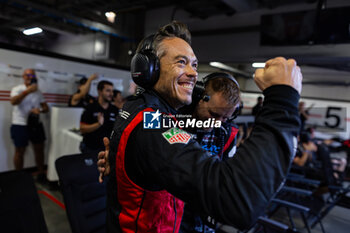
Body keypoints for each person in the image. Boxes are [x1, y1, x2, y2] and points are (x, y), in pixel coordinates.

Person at [104, 21, 302, 232]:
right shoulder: (152, 123)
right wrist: (283, 99)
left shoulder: (151, 113)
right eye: (181, 62)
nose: (192, 73)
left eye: (195, 65)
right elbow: (237, 202)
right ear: (148, 69)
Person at [10, 68, 49, 181]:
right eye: (27, 75)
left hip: (35, 124)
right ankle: (18, 177)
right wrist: (28, 91)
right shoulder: (17, 89)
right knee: (19, 151)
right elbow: (13, 101)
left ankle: (41, 173)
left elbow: (45, 108)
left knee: (39, 149)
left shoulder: (38, 91)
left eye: (32, 76)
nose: (29, 77)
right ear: (23, 76)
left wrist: (40, 110)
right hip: (20, 123)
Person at [79, 80, 119, 155]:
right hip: (91, 149)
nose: (111, 94)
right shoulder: (90, 107)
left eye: (112, 91)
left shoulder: (115, 109)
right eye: (108, 91)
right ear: (100, 91)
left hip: (107, 150)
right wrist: (98, 124)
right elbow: (82, 129)